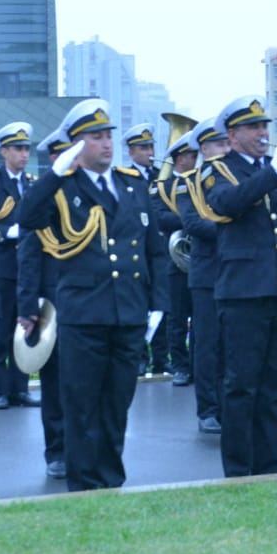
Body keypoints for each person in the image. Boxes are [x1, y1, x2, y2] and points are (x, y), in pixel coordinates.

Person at [16, 100, 169, 491]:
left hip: (129, 311)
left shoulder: (132, 184)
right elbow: (28, 218)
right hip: (85, 313)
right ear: (75, 146)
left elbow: (153, 249)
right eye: (95, 138)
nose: (105, 144)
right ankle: (83, 483)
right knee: (82, 405)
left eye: (107, 137)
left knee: (117, 403)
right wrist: (55, 172)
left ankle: (111, 478)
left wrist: (157, 305)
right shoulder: (62, 189)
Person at [202, 95, 277, 477]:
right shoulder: (218, 170)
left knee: (274, 386)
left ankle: (269, 465)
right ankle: (240, 471)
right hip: (244, 291)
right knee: (242, 385)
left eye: (265, 127)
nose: (262, 133)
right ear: (233, 134)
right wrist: (274, 169)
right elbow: (229, 204)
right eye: (253, 127)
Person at [14, 126, 71, 479]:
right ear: (55, 158)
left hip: (90, 302)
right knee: (55, 384)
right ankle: (58, 451)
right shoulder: (42, 198)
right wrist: (27, 308)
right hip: (53, 302)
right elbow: (29, 257)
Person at [177, 117, 230, 434]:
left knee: (232, 344)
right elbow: (193, 223)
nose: (224, 148)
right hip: (207, 273)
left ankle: (227, 405)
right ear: (203, 148)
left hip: (235, 273)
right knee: (208, 345)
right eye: (218, 144)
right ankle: (208, 409)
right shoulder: (189, 181)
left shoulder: (235, 178)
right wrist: (234, 233)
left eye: (226, 142)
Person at [0, 122, 40, 409]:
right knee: (2, 329)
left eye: (27, 148)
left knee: (26, 329)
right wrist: (8, 232)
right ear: (4, 151)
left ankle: (20, 388)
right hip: (2, 266)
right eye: (18, 148)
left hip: (27, 269)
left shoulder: (32, 183)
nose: (24, 154)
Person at [122, 122, 172, 377]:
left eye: (151, 146)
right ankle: (141, 358)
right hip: (137, 250)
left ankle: (162, 359)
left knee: (161, 303)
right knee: (141, 306)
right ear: (131, 152)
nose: (149, 151)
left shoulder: (162, 176)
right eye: (143, 147)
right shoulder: (125, 179)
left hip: (162, 249)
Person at [158, 129, 199, 386]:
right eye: (190, 155)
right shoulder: (161, 187)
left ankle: (197, 363)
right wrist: (193, 220)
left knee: (201, 317)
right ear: (179, 157)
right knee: (177, 316)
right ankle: (181, 366)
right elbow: (161, 218)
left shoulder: (200, 182)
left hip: (200, 259)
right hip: (176, 260)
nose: (194, 159)